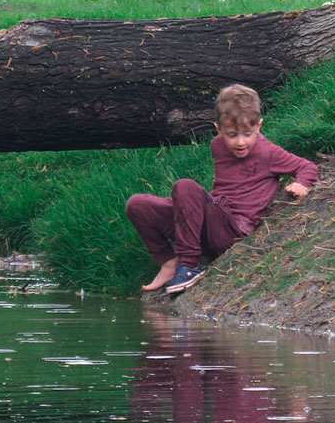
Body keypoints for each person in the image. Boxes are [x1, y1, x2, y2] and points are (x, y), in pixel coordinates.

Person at [125, 83, 318, 294]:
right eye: (232, 134)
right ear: (219, 129)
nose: (241, 142)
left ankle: (189, 265)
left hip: (233, 230)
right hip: (210, 220)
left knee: (185, 187)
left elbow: (306, 166)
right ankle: (169, 263)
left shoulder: (267, 152)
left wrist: (302, 183)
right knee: (137, 205)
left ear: (259, 126)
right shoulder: (218, 145)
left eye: (248, 133)